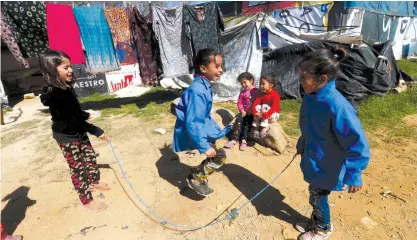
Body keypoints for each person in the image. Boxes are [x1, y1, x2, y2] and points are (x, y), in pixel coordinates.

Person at [296, 46, 370, 240]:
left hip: (328, 164)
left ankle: (322, 227)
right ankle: (316, 219)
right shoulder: (311, 97)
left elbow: (356, 141)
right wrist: (303, 141)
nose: (300, 81)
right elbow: (308, 125)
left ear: (322, 80)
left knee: (317, 195)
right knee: (315, 192)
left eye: (304, 77)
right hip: (314, 158)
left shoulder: (337, 106)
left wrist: (354, 172)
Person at [39, 50, 111, 212]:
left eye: (70, 66)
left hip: (78, 130)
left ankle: (93, 181)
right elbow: (72, 116)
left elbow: (75, 113)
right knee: (78, 168)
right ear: (52, 70)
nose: (71, 70)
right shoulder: (55, 94)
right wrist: (97, 131)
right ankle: (86, 200)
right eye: (65, 68)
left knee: (90, 156)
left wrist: (85, 115)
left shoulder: (66, 88)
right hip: (66, 137)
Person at [173, 48, 235, 196]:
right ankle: (195, 179)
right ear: (203, 68)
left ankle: (196, 172)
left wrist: (212, 135)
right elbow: (193, 122)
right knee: (218, 156)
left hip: (200, 128)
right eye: (217, 66)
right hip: (193, 130)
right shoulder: (198, 90)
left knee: (216, 153)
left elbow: (202, 115)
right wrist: (204, 146)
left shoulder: (204, 85)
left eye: (221, 66)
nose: (221, 70)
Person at [224, 72, 259, 151]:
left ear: (251, 81)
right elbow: (239, 103)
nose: (243, 85)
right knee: (238, 122)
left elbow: (258, 102)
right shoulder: (242, 93)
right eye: (241, 83)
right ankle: (234, 139)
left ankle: (244, 140)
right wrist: (242, 110)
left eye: (245, 82)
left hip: (252, 114)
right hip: (243, 113)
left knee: (247, 125)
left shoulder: (256, 91)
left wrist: (253, 111)